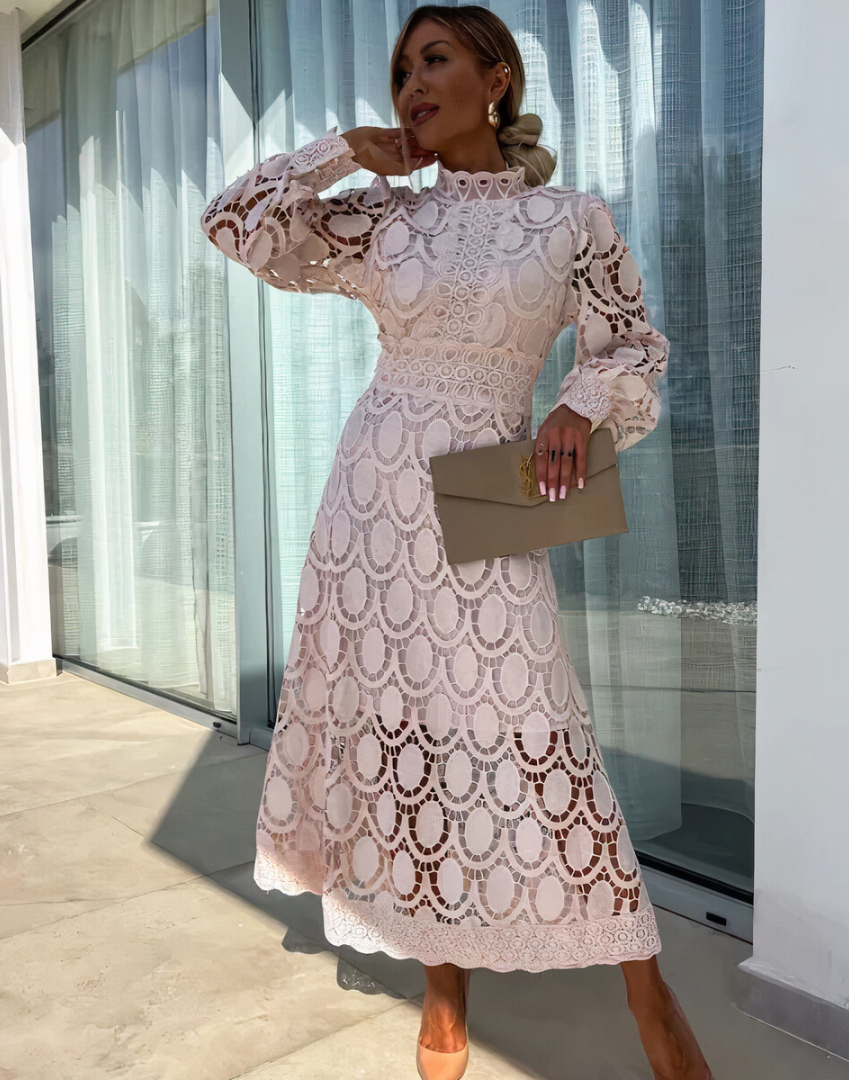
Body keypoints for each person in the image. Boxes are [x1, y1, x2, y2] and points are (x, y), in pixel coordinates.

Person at [201, 5, 712, 1078]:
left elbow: (634, 349)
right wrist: (344, 150)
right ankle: (444, 991)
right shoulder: (385, 219)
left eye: (433, 60)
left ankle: (649, 995)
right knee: (414, 734)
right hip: (372, 503)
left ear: (497, 77)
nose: (412, 86)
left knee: (535, 726)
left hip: (485, 502)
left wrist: (577, 404)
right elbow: (235, 222)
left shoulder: (570, 219)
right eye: (400, 72)